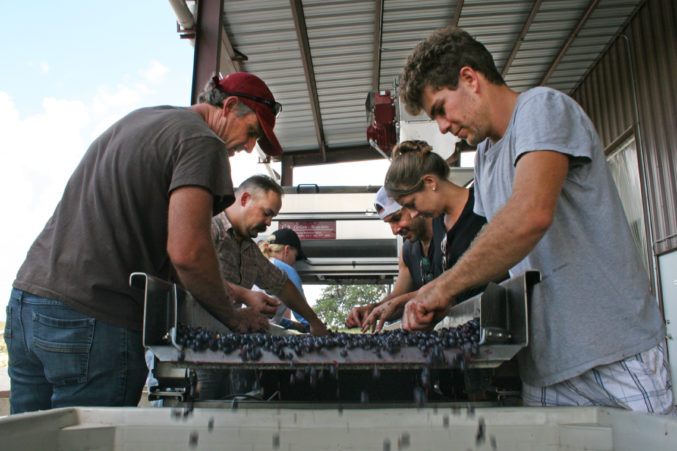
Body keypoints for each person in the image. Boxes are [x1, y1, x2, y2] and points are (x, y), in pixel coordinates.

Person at [394, 26, 673, 413]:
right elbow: (496, 252)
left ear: (470, 79)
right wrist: (430, 298)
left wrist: (441, 287)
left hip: (614, 355)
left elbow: (529, 215)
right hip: (545, 371)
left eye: (441, 107)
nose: (441, 126)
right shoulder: (487, 160)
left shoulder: (540, 109)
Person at [5, 72, 283, 414]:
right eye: (252, 132)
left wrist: (236, 295)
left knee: (30, 437)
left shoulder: (142, 119)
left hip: (29, 304)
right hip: (96, 317)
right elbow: (189, 254)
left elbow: (171, 253)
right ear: (228, 106)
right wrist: (233, 318)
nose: (249, 147)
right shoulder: (203, 141)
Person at [211, 174, 327, 336]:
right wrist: (244, 294)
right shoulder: (210, 228)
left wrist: (314, 321)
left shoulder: (250, 251)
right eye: (266, 213)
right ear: (244, 199)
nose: (268, 223)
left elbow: (281, 284)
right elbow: (190, 271)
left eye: (272, 217)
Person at [345, 186, 445, 331]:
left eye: (397, 218)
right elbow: (398, 299)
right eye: (389, 223)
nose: (395, 230)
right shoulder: (408, 250)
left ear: (414, 205)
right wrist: (373, 309)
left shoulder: (447, 230)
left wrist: (398, 302)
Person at [258, 228, 311, 333]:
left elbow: (269, 316)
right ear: (286, 250)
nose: (294, 263)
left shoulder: (262, 263)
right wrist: (316, 327)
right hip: (261, 331)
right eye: (295, 256)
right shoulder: (286, 270)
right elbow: (302, 311)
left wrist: (292, 324)